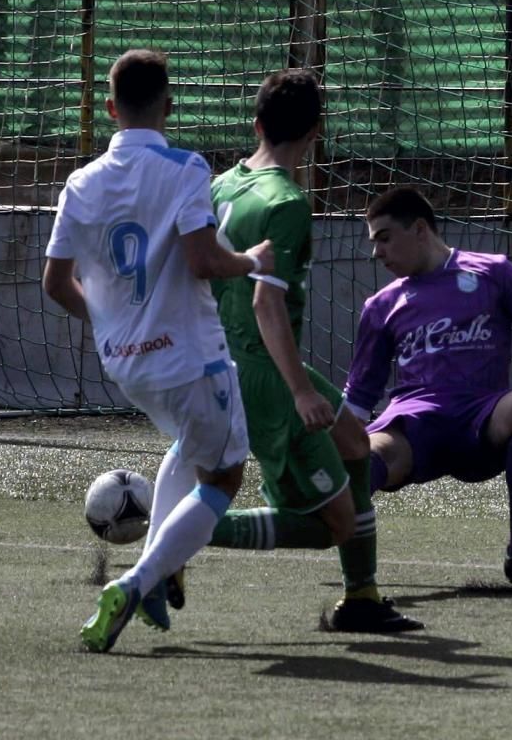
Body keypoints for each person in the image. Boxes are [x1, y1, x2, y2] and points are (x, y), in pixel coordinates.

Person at [42, 49, 275, 653]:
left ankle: (155, 569)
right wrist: (251, 261)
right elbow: (203, 261)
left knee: (190, 446)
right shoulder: (185, 166)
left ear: (110, 108)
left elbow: (53, 282)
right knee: (224, 475)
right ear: (168, 106)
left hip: (125, 363)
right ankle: (137, 581)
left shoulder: (81, 181)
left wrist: (110, 321)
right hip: (188, 356)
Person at [204, 68, 423, 632]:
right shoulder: (289, 203)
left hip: (238, 361)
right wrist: (299, 390)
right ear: (316, 132)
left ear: (257, 125)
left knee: (355, 442)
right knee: (334, 526)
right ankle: (190, 531)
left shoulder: (222, 185)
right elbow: (265, 305)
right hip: (267, 376)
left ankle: (362, 598)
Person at [345, 186, 512, 592]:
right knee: (362, 459)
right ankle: (342, 557)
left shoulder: (492, 271)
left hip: (481, 417)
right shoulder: (380, 305)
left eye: (384, 237)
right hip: (415, 422)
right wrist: (339, 442)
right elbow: (361, 393)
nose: (376, 252)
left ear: (419, 230)